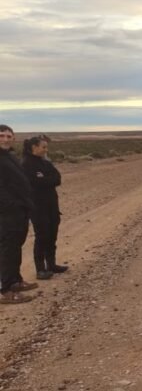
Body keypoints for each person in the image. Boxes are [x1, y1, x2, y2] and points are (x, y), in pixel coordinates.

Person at [21, 135, 68, 280]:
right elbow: (34, 182)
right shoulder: (26, 164)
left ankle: (51, 264)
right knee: (42, 236)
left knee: (52, 234)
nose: (46, 150)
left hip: (52, 205)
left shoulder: (46, 162)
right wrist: (47, 180)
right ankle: (40, 269)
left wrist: (45, 179)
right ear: (34, 147)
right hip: (37, 207)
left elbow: (57, 178)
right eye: (43, 147)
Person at [0, 125, 37, 303]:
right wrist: (12, 205)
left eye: (9, 136)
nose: (6, 139)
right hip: (7, 213)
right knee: (8, 249)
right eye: (1, 136)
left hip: (20, 210)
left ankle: (16, 281)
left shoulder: (9, 156)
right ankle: (6, 290)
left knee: (15, 247)